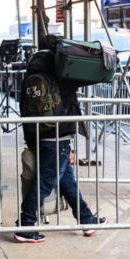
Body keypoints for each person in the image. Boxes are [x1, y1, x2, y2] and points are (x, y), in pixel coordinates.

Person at [15, 51, 108, 243]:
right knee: (45, 183)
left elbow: (24, 111)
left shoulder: (29, 80)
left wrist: (32, 141)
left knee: (68, 184)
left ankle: (87, 220)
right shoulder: (58, 79)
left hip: (41, 138)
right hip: (58, 139)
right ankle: (25, 225)